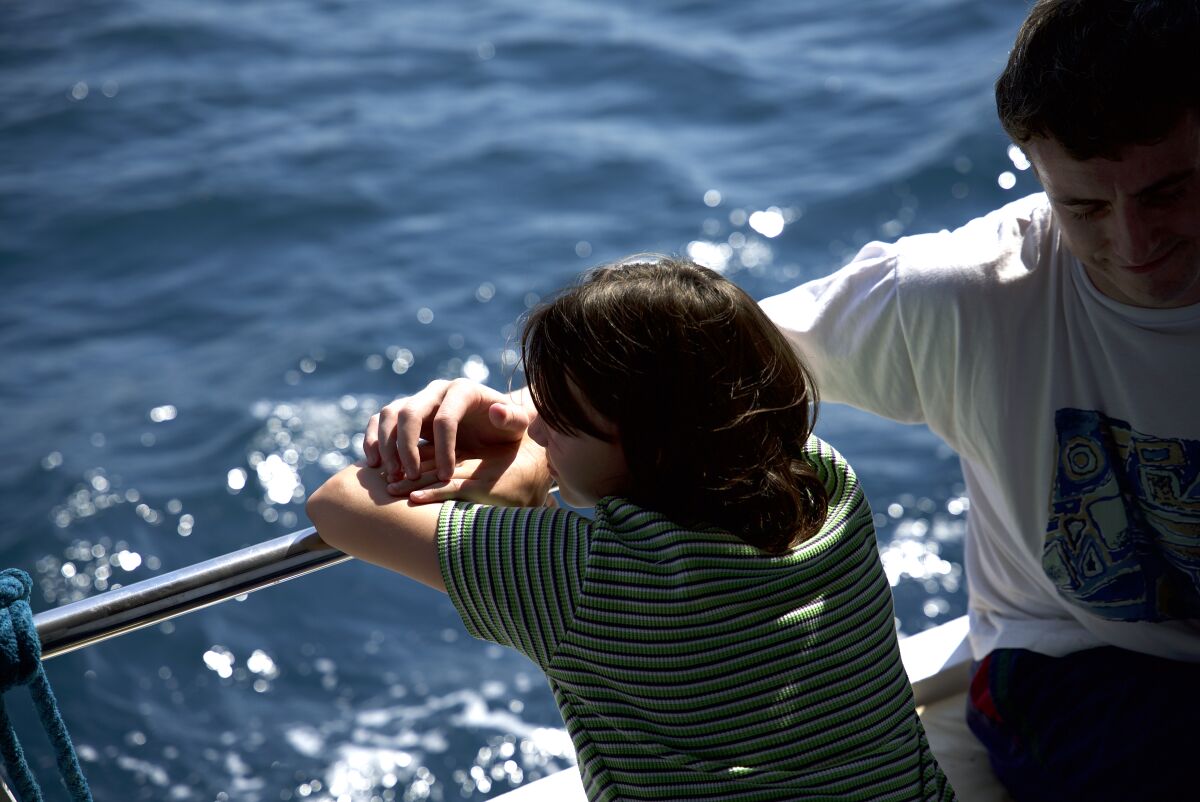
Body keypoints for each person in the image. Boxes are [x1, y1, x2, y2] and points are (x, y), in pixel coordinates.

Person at [363, 2, 1200, 800]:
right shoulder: (961, 295)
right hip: (1070, 667)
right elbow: (697, 374)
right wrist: (522, 413)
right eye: (1082, 205)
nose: (1133, 242)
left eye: (1169, 191)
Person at [308, 256, 957, 801]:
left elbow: (337, 505)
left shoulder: (587, 576)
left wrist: (526, 468)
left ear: (652, 444)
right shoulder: (826, 483)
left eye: (559, 416)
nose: (534, 426)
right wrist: (550, 438)